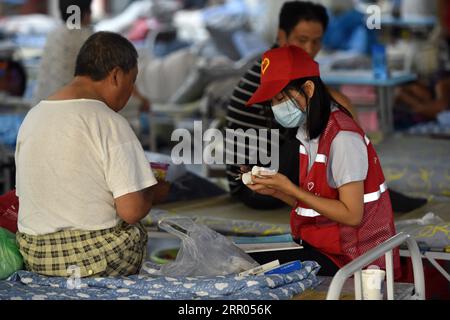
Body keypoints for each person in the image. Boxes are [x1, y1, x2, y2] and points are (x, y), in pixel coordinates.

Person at [15, 31, 162, 278]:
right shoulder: (109, 121)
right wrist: (154, 192)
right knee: (136, 229)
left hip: (36, 257)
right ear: (116, 75)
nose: (131, 91)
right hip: (92, 261)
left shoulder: (33, 116)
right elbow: (132, 210)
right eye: (132, 81)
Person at [243, 45, 400, 276]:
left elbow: (351, 214)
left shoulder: (343, 138)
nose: (277, 107)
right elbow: (318, 205)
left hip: (355, 261)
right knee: (239, 257)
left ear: (308, 88)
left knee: (247, 266)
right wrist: (277, 191)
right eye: (273, 101)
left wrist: (290, 188)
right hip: (327, 247)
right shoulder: (309, 133)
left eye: (281, 97)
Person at [226, 1, 355, 210]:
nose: (309, 49)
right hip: (253, 186)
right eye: (302, 40)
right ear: (281, 36)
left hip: (270, 172)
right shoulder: (278, 71)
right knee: (324, 133)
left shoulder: (279, 63)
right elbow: (337, 106)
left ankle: (355, 193)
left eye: (316, 41)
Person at [32, 0, 94, 106]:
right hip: (76, 107)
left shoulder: (53, 35)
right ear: (84, 13)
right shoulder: (88, 37)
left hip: (44, 106)